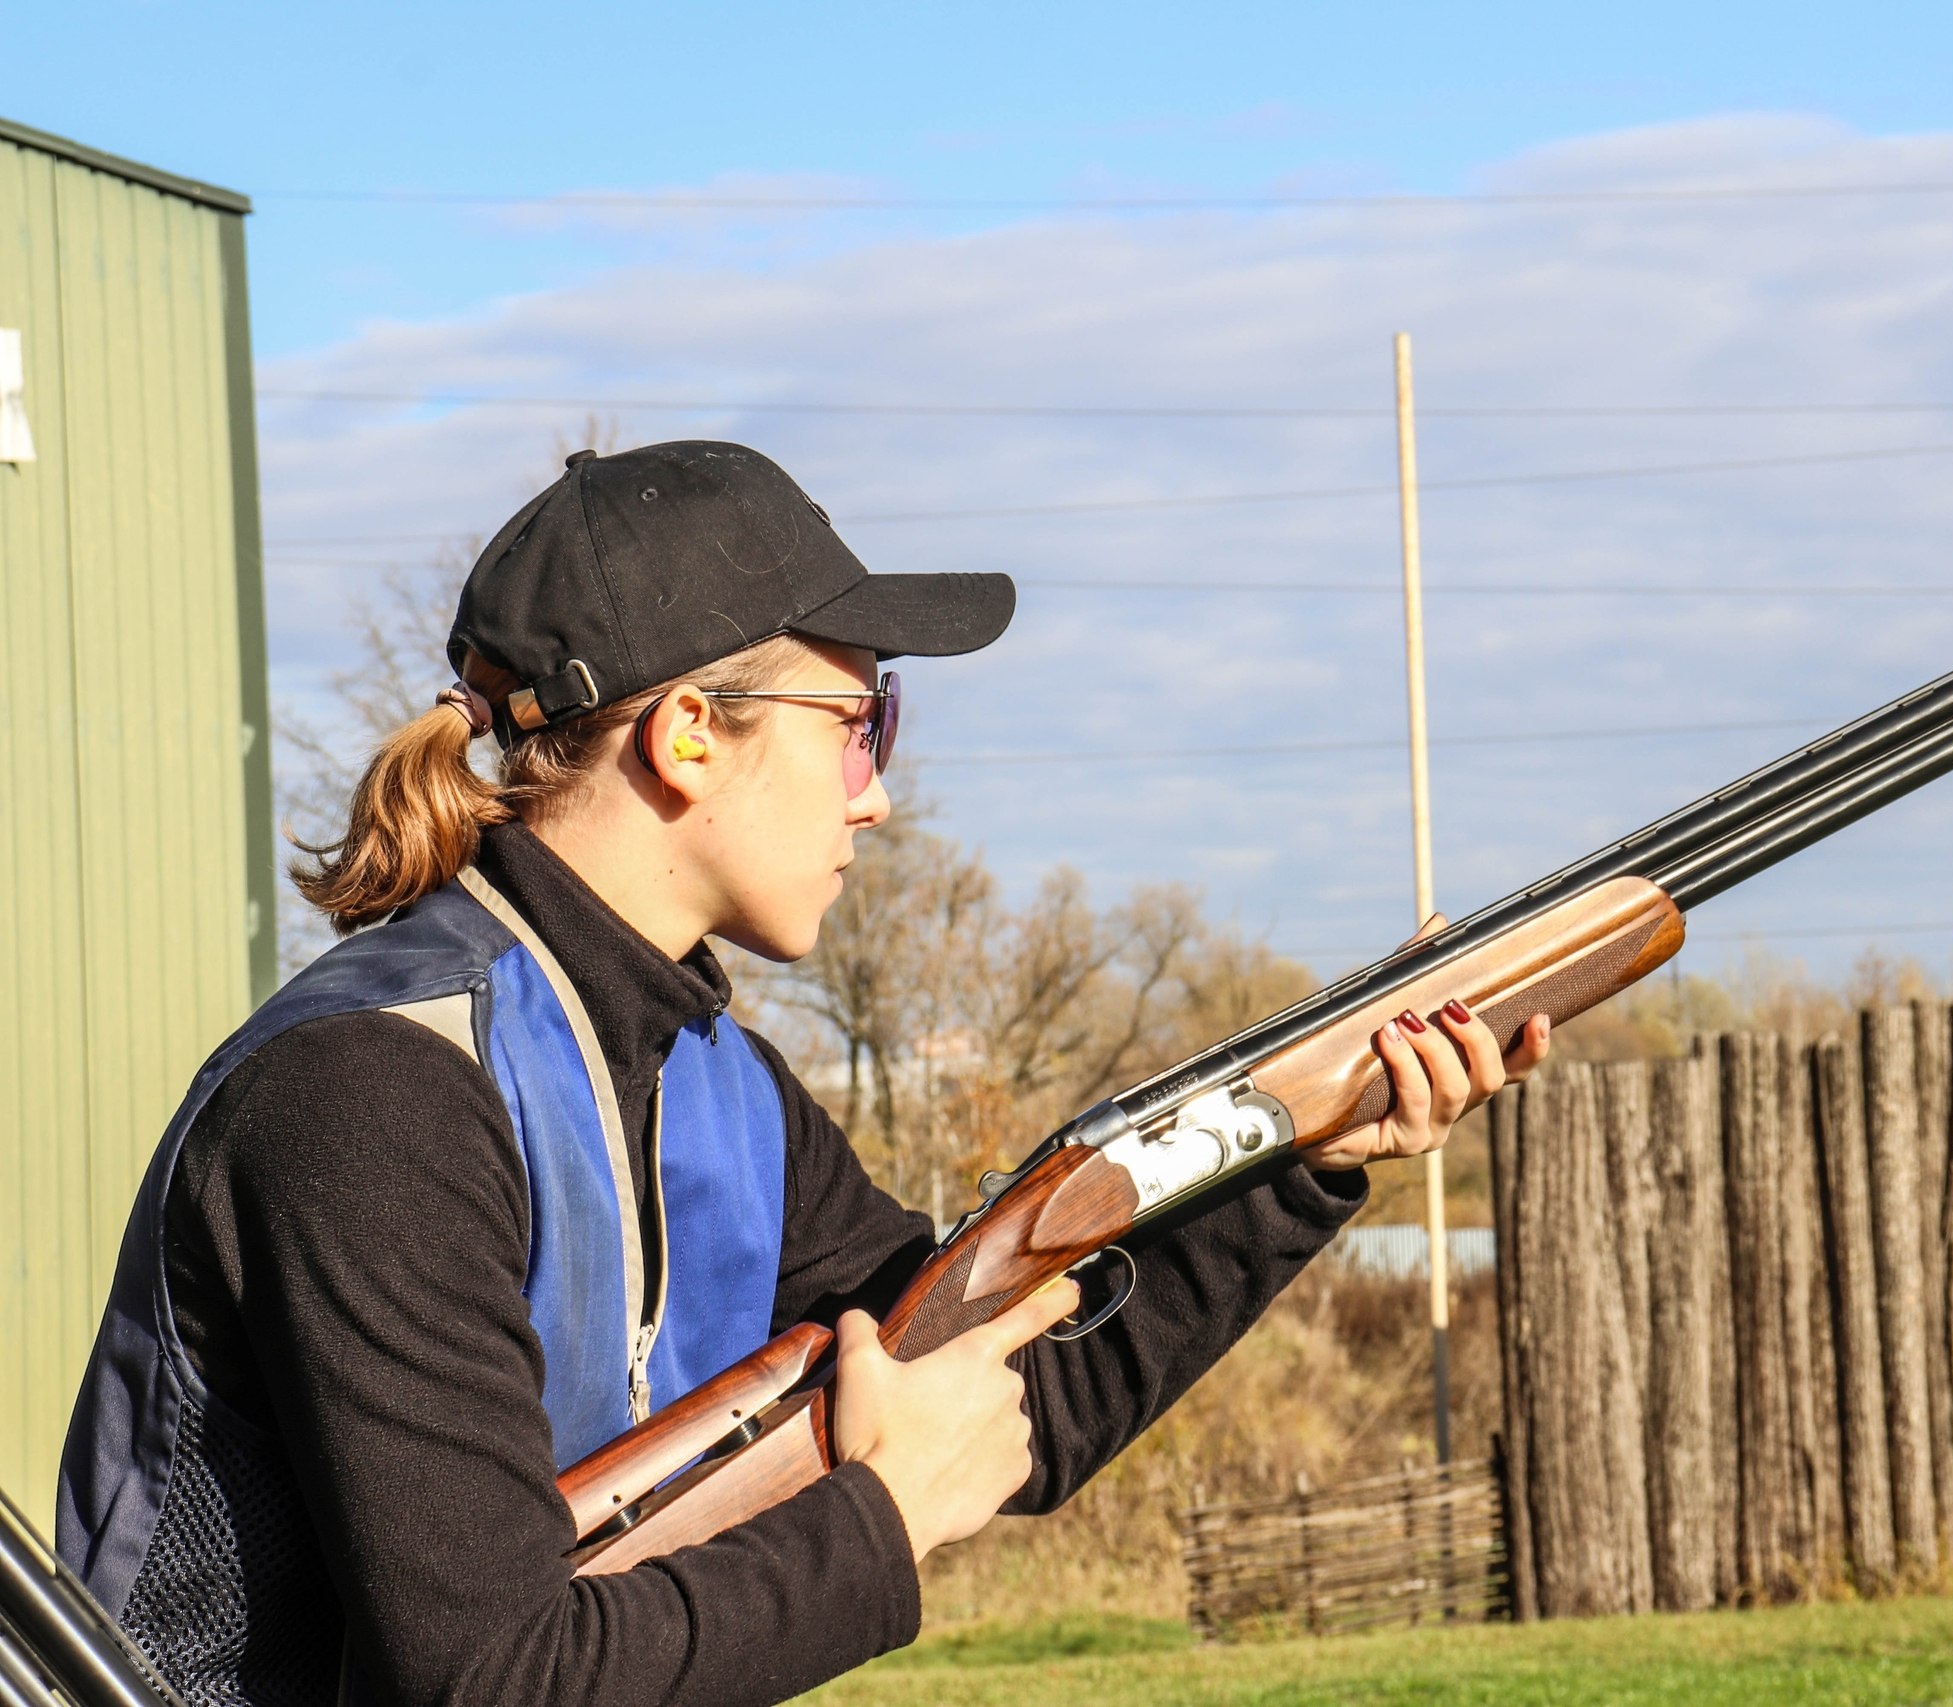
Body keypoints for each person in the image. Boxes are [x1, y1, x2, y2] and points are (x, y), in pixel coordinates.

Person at [56, 440, 1551, 1707]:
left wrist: (1316, 1156)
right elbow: (494, 1672)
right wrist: (886, 1521)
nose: (880, 793)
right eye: (860, 720)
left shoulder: (716, 1082)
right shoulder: (372, 1096)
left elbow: (1007, 1387)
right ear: (691, 733)